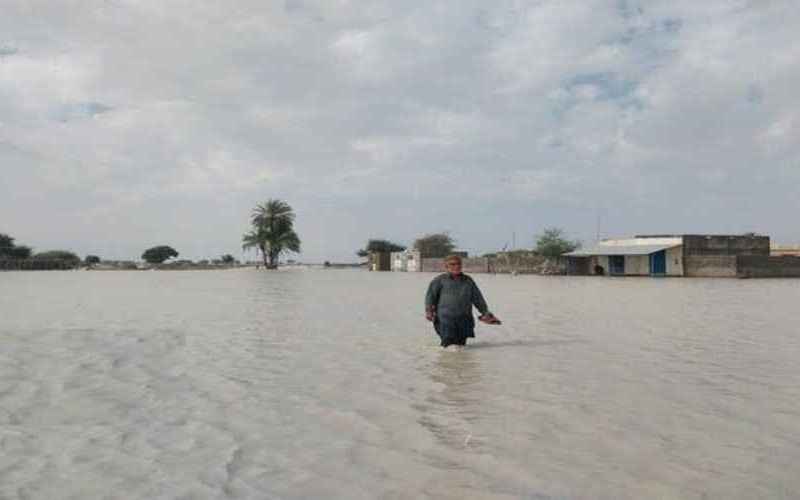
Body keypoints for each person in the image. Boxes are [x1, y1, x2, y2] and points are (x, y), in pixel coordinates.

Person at [425, 255, 500, 349]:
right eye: (452, 264)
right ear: (446, 267)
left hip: (464, 318)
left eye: (458, 264)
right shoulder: (439, 280)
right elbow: (430, 297)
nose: (456, 266)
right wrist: (429, 311)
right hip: (445, 319)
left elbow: (477, 298)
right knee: (447, 345)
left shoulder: (468, 281)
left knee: (461, 346)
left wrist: (485, 313)